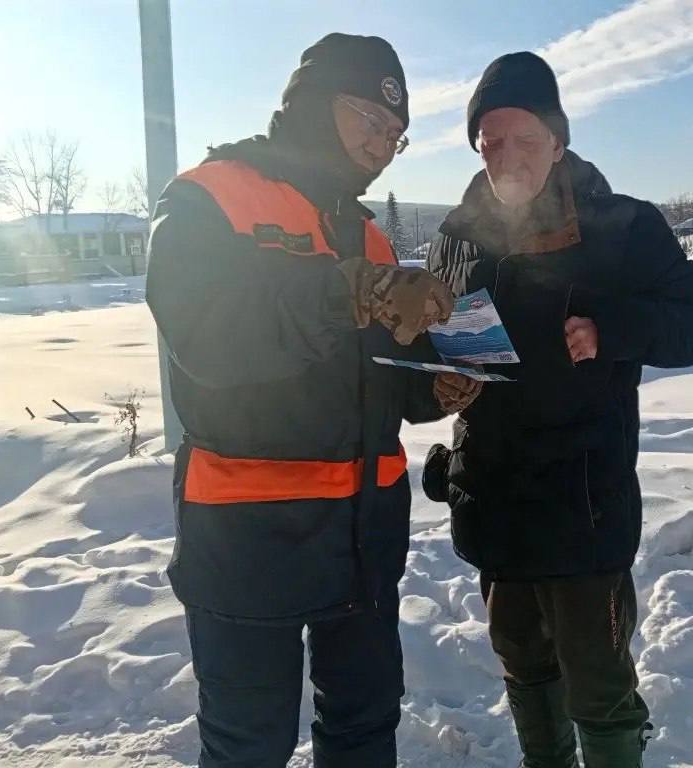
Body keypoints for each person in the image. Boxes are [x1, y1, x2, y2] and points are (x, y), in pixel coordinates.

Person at [146, 33, 480, 768]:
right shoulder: (211, 195)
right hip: (249, 538)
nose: (382, 144)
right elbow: (207, 336)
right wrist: (347, 291)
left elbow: (380, 372)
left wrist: (432, 386)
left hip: (363, 539)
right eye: (370, 119)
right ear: (312, 102)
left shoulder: (370, 238)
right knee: (248, 748)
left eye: (395, 134)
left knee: (363, 732)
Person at [422, 52, 693, 767]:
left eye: (525, 139)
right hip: (494, 494)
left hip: (582, 504)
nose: (507, 157)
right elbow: (436, 334)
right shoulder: (459, 236)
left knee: (597, 685)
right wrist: (433, 370)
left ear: (558, 141)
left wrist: (613, 329)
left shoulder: (621, 227)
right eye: (491, 143)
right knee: (524, 666)